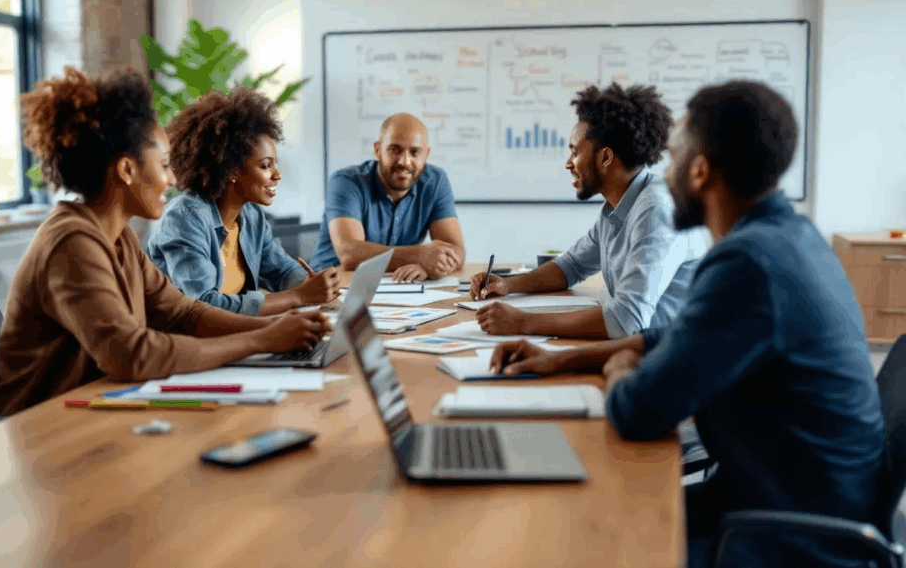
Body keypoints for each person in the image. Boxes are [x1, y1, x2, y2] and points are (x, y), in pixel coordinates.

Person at [493, 81, 885, 566]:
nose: (664, 170)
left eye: (674, 156)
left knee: (583, 532)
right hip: (792, 497)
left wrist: (618, 365)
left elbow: (637, 412)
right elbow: (671, 336)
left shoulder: (749, 263)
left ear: (700, 171)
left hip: (792, 533)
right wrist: (565, 359)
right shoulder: (788, 236)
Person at [0, 68, 329, 416]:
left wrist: (274, 328)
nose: (172, 179)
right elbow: (132, 355)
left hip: (93, 405)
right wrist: (262, 339)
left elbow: (183, 312)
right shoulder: (72, 243)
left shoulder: (118, 237)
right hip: (37, 425)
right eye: (164, 165)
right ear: (126, 170)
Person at [470, 83, 706, 339]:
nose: (568, 163)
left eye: (574, 152)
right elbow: (570, 266)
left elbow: (624, 320)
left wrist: (523, 322)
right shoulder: (618, 207)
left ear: (605, 158)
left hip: (667, 353)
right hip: (638, 347)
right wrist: (507, 285)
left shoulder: (656, 212)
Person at [145, 88, 341, 316]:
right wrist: (299, 296)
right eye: (266, 166)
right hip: (186, 343)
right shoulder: (185, 218)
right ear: (232, 170)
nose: (278, 175)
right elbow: (203, 307)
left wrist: (314, 283)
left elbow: (282, 271)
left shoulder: (251, 216)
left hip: (235, 335)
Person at [310, 113, 466, 282]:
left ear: (426, 155)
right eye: (395, 150)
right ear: (378, 150)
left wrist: (425, 266)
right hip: (331, 289)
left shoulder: (436, 181)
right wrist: (419, 256)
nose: (404, 161)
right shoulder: (346, 182)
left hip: (390, 287)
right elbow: (350, 254)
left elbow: (455, 250)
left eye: (415, 152)